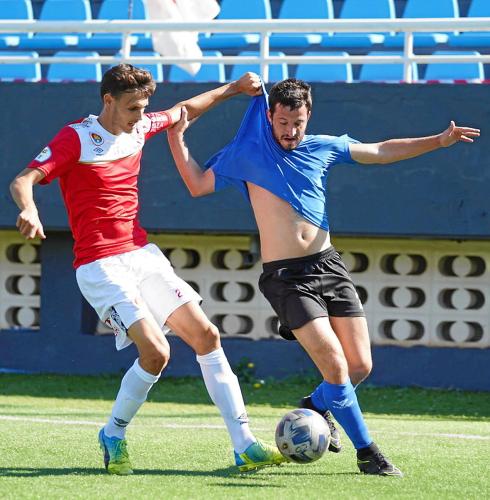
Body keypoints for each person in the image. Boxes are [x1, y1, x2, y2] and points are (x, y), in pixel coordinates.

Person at [166, 77, 480, 477]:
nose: (290, 131)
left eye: (297, 123)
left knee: (359, 366)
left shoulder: (323, 147)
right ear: (269, 116)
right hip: (286, 279)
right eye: (283, 122)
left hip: (329, 267)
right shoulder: (247, 152)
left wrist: (438, 140)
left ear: (308, 116)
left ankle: (314, 406)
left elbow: (380, 151)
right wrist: (177, 138)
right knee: (335, 366)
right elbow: (197, 185)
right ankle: (368, 453)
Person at [9, 64, 288, 475]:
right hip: (100, 266)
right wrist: (29, 209)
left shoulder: (140, 126)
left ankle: (244, 444)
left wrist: (233, 88)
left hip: (141, 254)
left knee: (207, 335)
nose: (140, 116)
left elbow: (184, 110)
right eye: (132, 108)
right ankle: (113, 433)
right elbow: (23, 179)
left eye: (143, 108)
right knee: (156, 352)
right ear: (108, 100)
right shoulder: (76, 137)